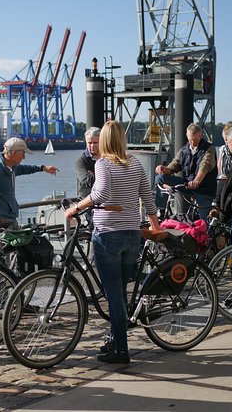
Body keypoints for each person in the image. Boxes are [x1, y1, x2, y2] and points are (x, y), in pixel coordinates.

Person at [64, 120, 160, 365]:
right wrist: (154, 224)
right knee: (120, 292)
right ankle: (114, 340)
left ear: (105, 140)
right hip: (131, 234)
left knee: (114, 295)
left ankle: (121, 350)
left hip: (108, 234)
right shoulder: (135, 162)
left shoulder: (103, 163)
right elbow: (148, 196)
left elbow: (100, 194)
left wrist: (76, 207)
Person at [0, 137, 58, 230]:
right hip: (0, 222)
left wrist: (42, 168)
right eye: (23, 153)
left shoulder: (11, 166)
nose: (24, 157)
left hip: (10, 218)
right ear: (14, 153)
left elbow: (23, 169)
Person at [154, 123, 218, 220]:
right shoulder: (184, 150)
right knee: (160, 178)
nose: (192, 142)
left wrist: (196, 181)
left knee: (204, 222)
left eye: (195, 139)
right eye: (190, 139)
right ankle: (161, 211)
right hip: (188, 185)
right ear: (187, 136)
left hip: (204, 188)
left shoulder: (209, 149)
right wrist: (164, 169)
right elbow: (174, 166)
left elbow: (205, 165)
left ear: (201, 136)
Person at [213, 122, 232, 207]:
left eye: (227, 139)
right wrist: (217, 176)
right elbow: (219, 163)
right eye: (224, 139)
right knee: (219, 198)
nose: (225, 141)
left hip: (231, 177)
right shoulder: (222, 148)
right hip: (223, 176)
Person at [75, 127, 101, 198]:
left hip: (106, 200)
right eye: (89, 143)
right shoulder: (81, 160)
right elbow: (87, 181)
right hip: (87, 200)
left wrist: (93, 175)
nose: (92, 146)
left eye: (95, 142)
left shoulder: (107, 157)